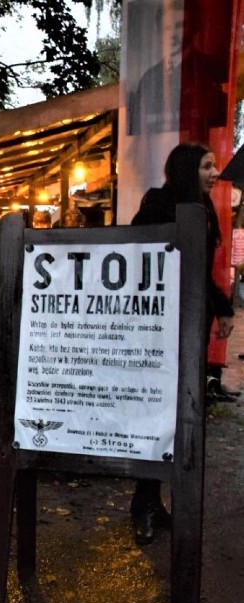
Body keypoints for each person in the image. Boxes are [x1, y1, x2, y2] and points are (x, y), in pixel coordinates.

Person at [129, 142, 234, 546]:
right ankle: (145, 503)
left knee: (179, 419)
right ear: (188, 168)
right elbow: (147, 256)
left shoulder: (204, 210)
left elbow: (200, 273)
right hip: (159, 329)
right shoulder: (159, 202)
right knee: (155, 415)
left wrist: (221, 306)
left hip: (189, 327)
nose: (214, 173)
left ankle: (153, 501)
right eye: (208, 166)